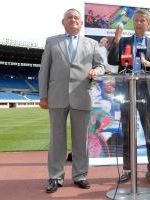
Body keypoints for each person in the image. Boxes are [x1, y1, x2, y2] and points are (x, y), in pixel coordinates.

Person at [38, 8, 105, 193]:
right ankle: (55, 177)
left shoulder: (92, 44)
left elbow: (101, 66)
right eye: (70, 18)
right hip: (56, 96)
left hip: (82, 95)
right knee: (56, 139)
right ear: (63, 22)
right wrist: (43, 95)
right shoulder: (52, 42)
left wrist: (96, 71)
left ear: (81, 23)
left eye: (76, 18)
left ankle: (80, 175)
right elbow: (44, 69)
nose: (73, 20)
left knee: (81, 140)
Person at [107, 9, 150, 183]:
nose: (138, 23)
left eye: (142, 21)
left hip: (147, 92)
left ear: (148, 24)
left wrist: (149, 64)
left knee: (149, 134)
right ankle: (128, 170)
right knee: (127, 133)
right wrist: (116, 41)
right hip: (127, 91)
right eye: (136, 21)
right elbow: (112, 60)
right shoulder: (124, 41)